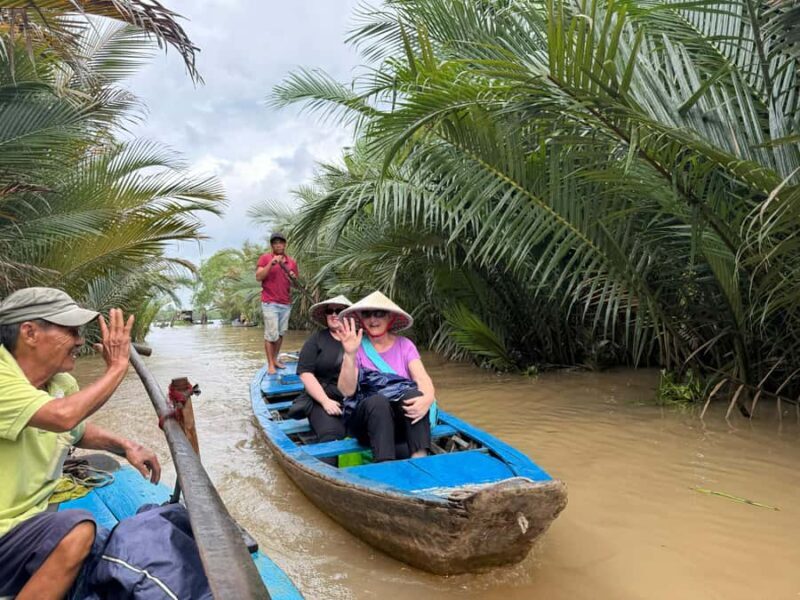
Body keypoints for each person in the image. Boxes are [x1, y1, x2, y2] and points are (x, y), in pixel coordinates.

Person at [0, 287, 160, 599]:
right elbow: (63, 417)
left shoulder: (60, 384)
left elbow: (74, 429)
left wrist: (126, 446)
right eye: (71, 331)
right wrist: (117, 368)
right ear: (30, 333)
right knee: (78, 528)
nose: (79, 341)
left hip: (28, 527)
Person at [336, 291, 436, 462]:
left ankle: (420, 459)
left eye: (379, 314)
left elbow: (422, 378)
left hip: (399, 423)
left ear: (389, 318)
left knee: (415, 395)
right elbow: (347, 390)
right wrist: (350, 354)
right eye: (367, 314)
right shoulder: (356, 347)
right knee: (378, 401)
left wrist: (428, 398)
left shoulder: (405, 345)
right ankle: (386, 464)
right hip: (366, 423)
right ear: (361, 318)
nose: (373, 320)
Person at [291, 296, 352, 464]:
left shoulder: (359, 340)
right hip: (321, 399)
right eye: (329, 311)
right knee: (331, 434)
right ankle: (331, 477)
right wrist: (325, 402)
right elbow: (305, 373)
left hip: (353, 399)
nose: (334, 315)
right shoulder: (317, 339)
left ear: (348, 315)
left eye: (339, 311)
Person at [255, 232, 298, 375]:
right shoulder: (265, 258)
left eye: (280, 242)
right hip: (269, 302)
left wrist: (293, 277)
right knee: (270, 335)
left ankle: (275, 359)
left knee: (280, 334)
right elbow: (259, 277)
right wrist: (271, 263)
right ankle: (270, 365)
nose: (278, 245)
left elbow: (296, 285)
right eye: (275, 243)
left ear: (285, 244)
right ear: (272, 245)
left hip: (285, 302)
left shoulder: (291, 262)